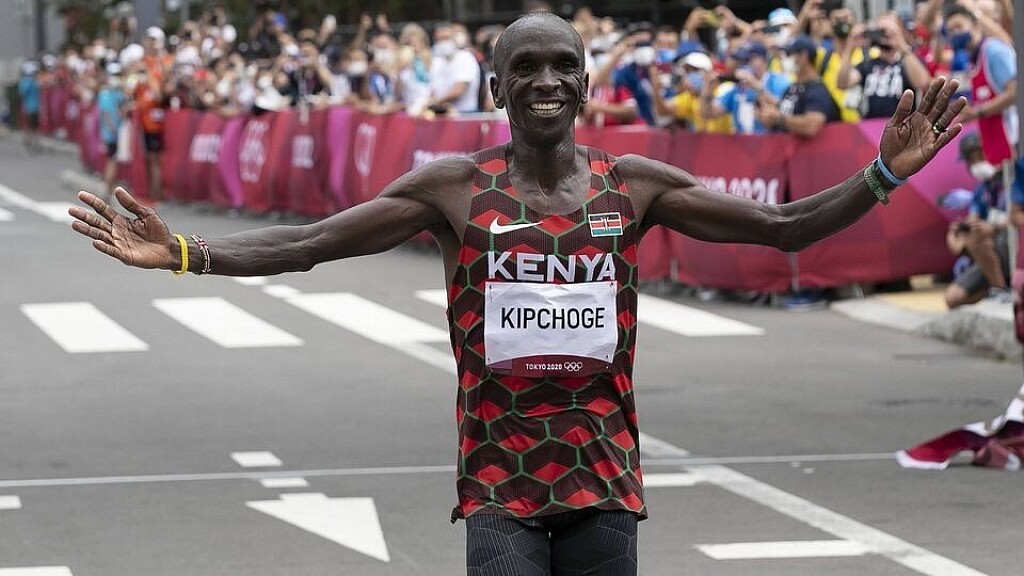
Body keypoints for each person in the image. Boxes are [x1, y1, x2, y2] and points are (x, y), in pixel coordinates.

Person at [69, 12, 965, 576]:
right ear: (497, 86)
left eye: (562, 66)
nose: (545, 82)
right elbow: (308, 244)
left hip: (603, 476)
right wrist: (183, 252)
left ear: (584, 82)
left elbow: (785, 228)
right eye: (525, 68)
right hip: (500, 482)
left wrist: (883, 173)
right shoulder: (454, 189)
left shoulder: (632, 185)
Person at [944, 132, 1012, 308]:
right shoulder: (981, 190)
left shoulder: (1013, 178)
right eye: (971, 160)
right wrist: (957, 235)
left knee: (977, 238)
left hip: (1014, 245)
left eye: (979, 156)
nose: (977, 164)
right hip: (992, 252)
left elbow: (1018, 216)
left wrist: (994, 228)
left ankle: (1000, 290)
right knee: (953, 298)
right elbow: (972, 222)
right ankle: (996, 291)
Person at [944, 6, 1018, 167]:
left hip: (1014, 143)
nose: (955, 33)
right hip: (996, 146)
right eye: (950, 31)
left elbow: (1015, 92)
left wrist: (978, 112)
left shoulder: (995, 51)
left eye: (959, 26)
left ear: (976, 26)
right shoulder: (972, 60)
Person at [837, 15, 932, 119]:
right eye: (881, 31)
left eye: (890, 30)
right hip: (871, 126)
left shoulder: (909, 61)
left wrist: (901, 45)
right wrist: (850, 47)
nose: (885, 35)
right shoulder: (868, 64)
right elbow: (842, 83)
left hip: (902, 126)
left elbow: (923, 83)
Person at [757, 35, 841, 138]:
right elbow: (785, 115)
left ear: (804, 56)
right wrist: (769, 118)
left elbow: (812, 126)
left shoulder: (818, 91)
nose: (785, 59)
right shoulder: (791, 89)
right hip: (786, 146)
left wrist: (779, 118)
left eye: (789, 54)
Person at [702, 41, 790, 134]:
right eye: (741, 60)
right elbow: (708, 113)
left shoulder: (778, 81)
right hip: (742, 141)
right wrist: (708, 90)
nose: (745, 64)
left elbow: (786, 111)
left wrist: (756, 86)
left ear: (764, 60)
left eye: (750, 59)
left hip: (770, 140)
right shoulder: (737, 89)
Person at [97, 63, 127, 201]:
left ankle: (111, 189)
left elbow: (123, 111)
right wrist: (114, 131)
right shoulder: (105, 94)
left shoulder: (119, 94)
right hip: (112, 135)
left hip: (118, 133)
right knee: (112, 162)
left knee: (114, 161)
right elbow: (107, 115)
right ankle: (107, 191)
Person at [17, 61, 42, 153]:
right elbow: (23, 93)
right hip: (29, 107)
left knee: (35, 126)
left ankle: (34, 143)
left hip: (34, 107)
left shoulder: (33, 82)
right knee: (30, 126)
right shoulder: (27, 82)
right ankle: (30, 141)